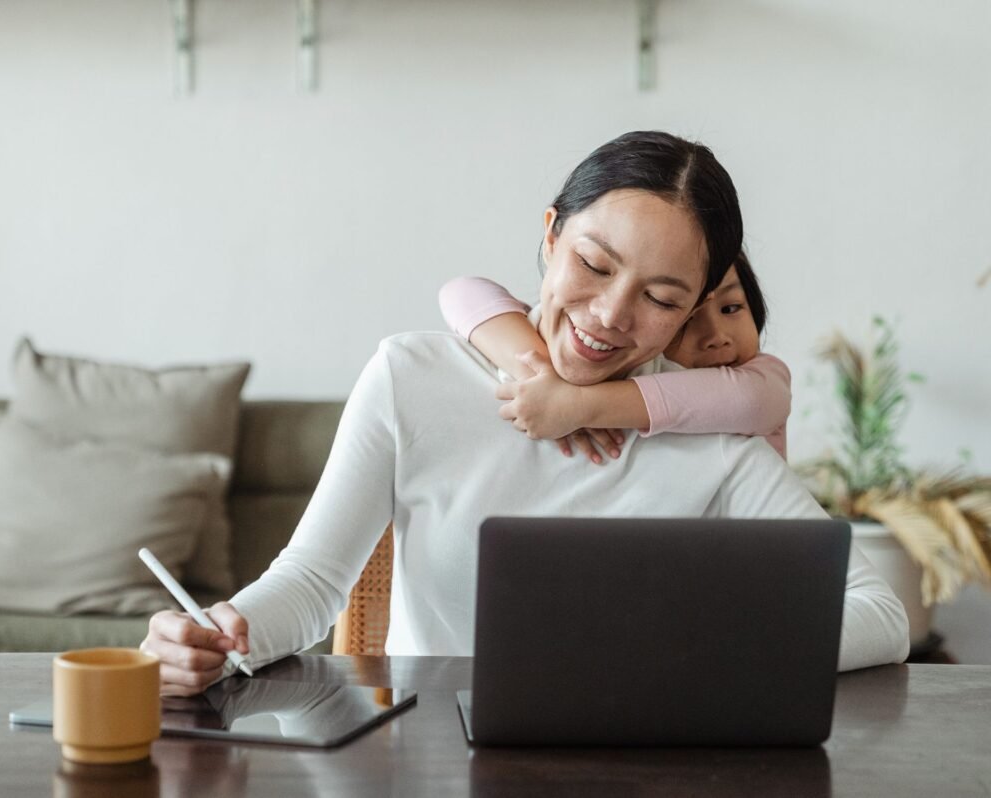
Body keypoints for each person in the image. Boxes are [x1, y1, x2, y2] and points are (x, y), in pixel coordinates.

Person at [142, 131, 909, 696]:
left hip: (640, 768)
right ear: (549, 237)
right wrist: (216, 633)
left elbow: (880, 614)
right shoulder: (412, 377)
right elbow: (311, 584)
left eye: (662, 298)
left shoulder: (710, 433)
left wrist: (710, 649)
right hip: (430, 762)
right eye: (594, 265)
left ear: (694, 311)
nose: (610, 315)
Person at [438, 249, 791, 461]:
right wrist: (539, 374)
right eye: (688, 321)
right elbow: (462, 291)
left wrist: (577, 405)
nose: (717, 337)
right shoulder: (636, 369)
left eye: (732, 308)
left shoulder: (763, 378)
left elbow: (750, 402)